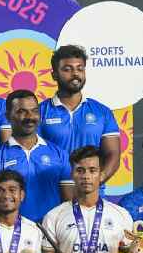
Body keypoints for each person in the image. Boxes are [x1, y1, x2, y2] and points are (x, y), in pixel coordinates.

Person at [0, 89, 73, 222]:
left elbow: (68, 204)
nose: (30, 117)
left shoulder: (60, 155)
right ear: (8, 116)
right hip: (13, 236)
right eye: (21, 111)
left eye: (34, 111)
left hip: (51, 235)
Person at [39, 45, 121, 182]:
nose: (75, 74)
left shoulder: (102, 112)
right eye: (67, 69)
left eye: (80, 69)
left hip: (91, 197)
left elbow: (113, 153)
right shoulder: (40, 112)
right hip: (52, 194)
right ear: (54, 75)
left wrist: (96, 181)